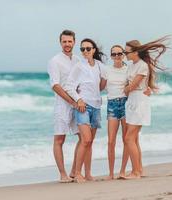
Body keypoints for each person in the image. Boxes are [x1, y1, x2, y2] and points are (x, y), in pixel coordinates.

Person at [123, 36, 169, 179]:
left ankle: (135, 172)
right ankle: (139, 170)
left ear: (135, 52)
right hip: (132, 102)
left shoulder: (142, 65)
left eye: (127, 52)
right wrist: (127, 88)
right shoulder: (130, 66)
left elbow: (132, 86)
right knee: (134, 139)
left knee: (128, 138)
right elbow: (127, 85)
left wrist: (127, 88)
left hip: (140, 102)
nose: (125, 54)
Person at [65, 38, 106, 183]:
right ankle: (77, 173)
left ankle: (88, 173)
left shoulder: (100, 65)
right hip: (83, 107)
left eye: (88, 48)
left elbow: (103, 84)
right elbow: (69, 86)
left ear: (94, 50)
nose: (85, 51)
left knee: (90, 142)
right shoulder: (78, 66)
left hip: (96, 107)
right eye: (82, 49)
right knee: (85, 139)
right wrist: (79, 99)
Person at [47, 30, 80, 183]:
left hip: (78, 103)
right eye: (64, 41)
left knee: (84, 137)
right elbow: (55, 85)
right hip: (62, 105)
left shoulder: (78, 60)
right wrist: (71, 101)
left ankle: (74, 171)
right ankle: (63, 174)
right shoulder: (55, 61)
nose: (67, 44)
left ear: (74, 42)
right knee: (59, 139)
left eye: (70, 41)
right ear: (60, 43)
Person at [100, 45, 129, 180]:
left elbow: (137, 84)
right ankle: (111, 173)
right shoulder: (106, 70)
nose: (117, 56)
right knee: (111, 141)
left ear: (123, 54)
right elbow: (100, 87)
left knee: (127, 140)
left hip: (126, 104)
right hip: (111, 104)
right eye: (114, 54)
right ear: (111, 56)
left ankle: (122, 171)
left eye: (119, 53)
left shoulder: (129, 69)